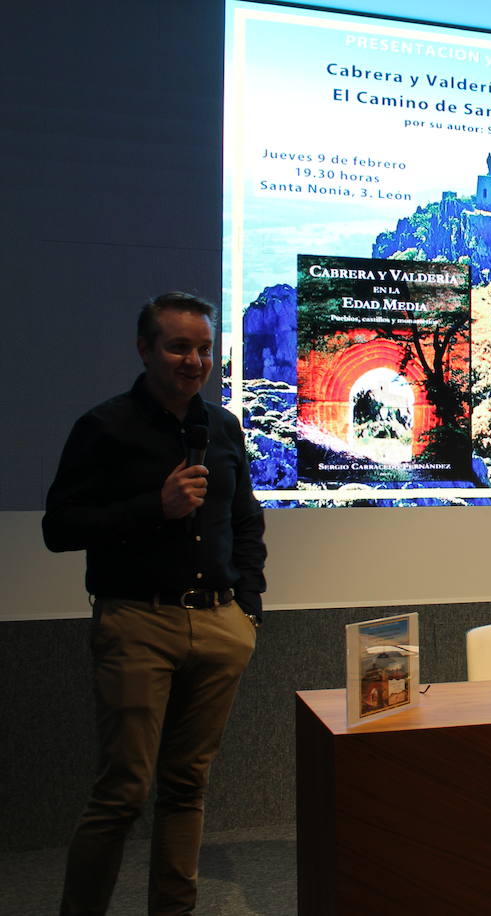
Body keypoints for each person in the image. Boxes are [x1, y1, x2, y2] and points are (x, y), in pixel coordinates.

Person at [43, 291, 267, 915]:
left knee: (187, 787)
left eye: (203, 349)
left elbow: (244, 520)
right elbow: (58, 529)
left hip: (220, 622)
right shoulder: (104, 426)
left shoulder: (221, 427)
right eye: (177, 347)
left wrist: (247, 606)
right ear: (145, 350)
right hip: (138, 620)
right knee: (122, 791)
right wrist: (153, 507)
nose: (193, 361)